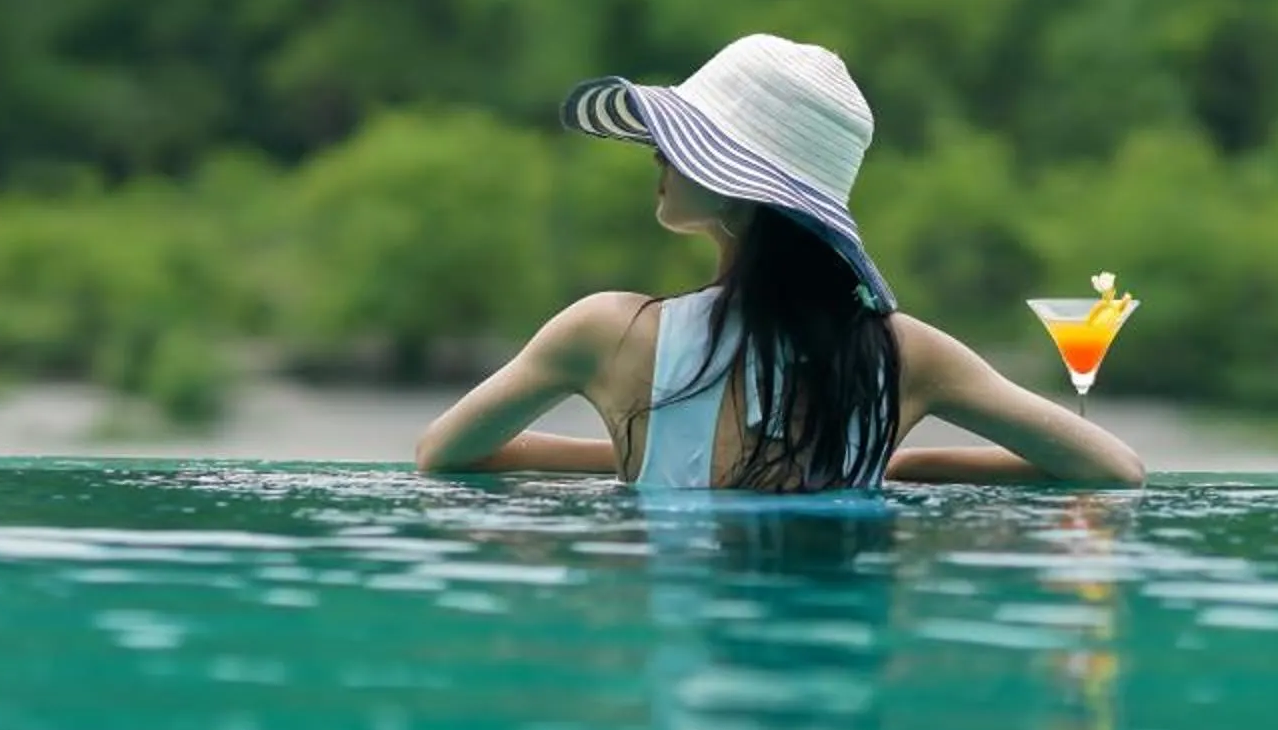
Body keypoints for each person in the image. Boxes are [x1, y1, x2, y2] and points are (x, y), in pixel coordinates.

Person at [415, 35, 1145, 490]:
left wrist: (626, 448)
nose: (659, 157)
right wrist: (909, 463)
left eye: (684, 141)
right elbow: (1114, 470)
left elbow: (444, 455)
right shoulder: (901, 354)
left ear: (740, 186)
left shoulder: (606, 333)